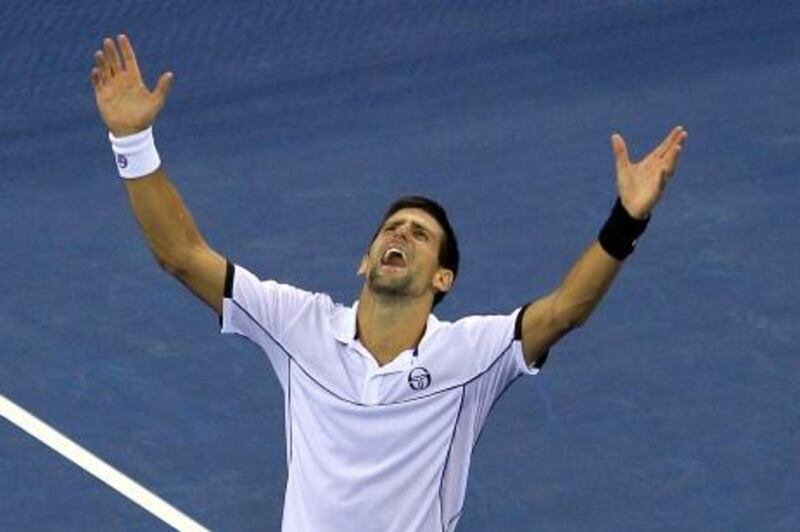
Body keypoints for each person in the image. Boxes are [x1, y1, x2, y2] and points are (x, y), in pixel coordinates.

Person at [90, 34, 687, 531]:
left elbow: (564, 312)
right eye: (392, 228)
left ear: (443, 277)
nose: (400, 235)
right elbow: (181, 255)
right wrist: (132, 141)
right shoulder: (299, 326)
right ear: (365, 259)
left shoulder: (472, 355)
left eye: (420, 234)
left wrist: (626, 220)